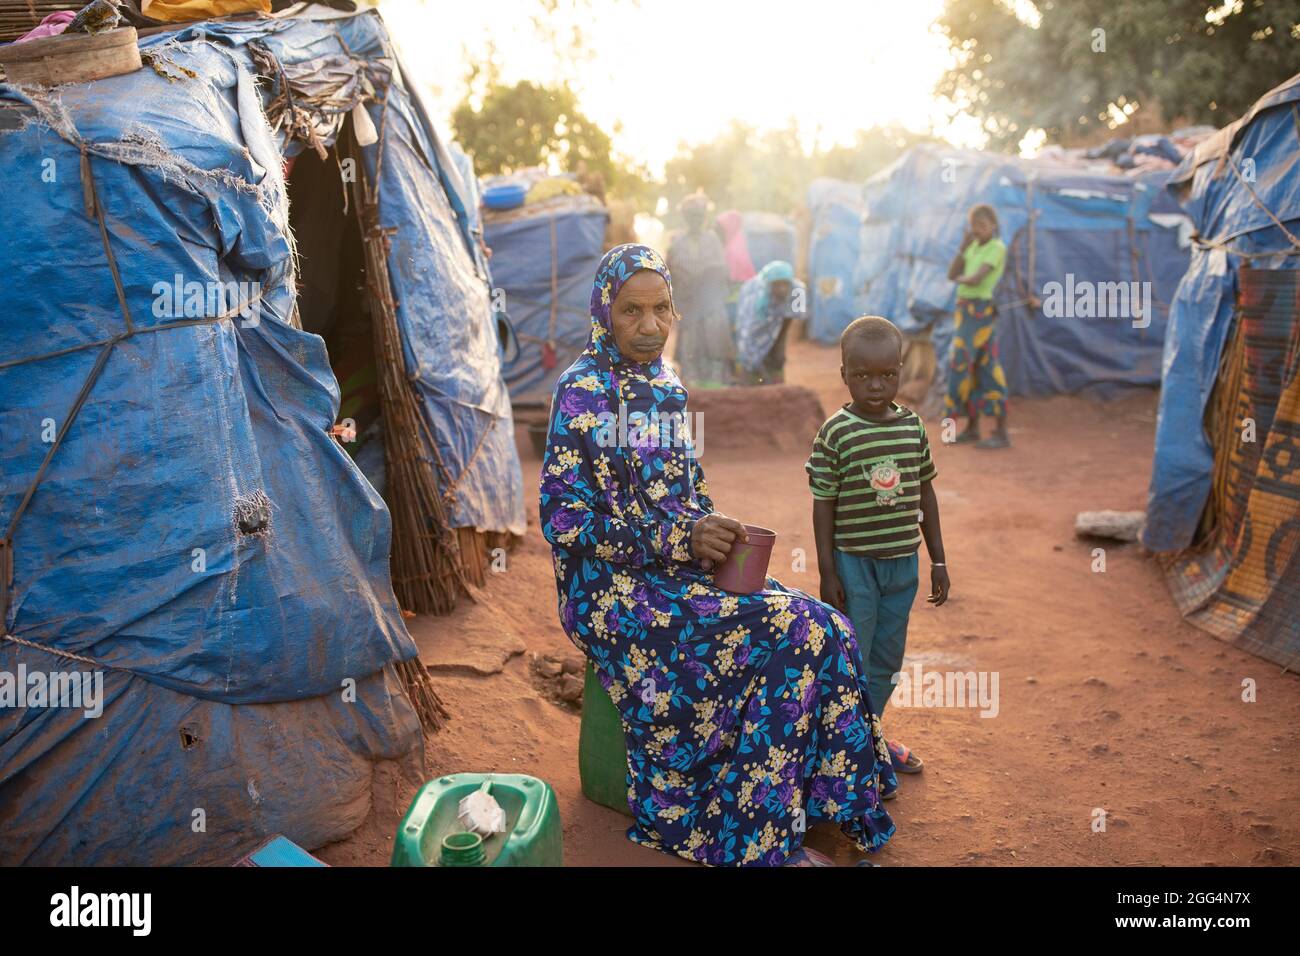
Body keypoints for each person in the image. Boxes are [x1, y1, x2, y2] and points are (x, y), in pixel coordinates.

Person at [540, 244, 897, 866]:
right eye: (632, 312)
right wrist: (673, 539)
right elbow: (562, 518)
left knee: (825, 624)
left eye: (661, 309)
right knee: (785, 633)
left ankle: (831, 794)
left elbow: (687, 488)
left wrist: (713, 526)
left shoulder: (667, 386)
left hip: (678, 569)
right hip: (609, 589)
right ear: (604, 313)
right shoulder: (583, 392)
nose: (650, 327)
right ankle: (757, 836)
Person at [806, 315, 950, 796]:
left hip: (901, 565)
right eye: (863, 375)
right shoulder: (836, 433)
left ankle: (869, 739)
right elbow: (823, 503)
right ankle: (843, 757)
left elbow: (925, 496)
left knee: (887, 658)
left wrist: (939, 560)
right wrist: (828, 572)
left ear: (900, 371)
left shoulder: (912, 428)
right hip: (853, 565)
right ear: (843, 373)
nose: (875, 385)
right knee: (853, 660)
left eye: (887, 375)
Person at [945, 204, 1010, 448]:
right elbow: (951, 274)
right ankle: (972, 429)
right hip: (966, 312)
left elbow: (975, 279)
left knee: (965, 366)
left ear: (993, 225)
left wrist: (962, 279)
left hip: (979, 312)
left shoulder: (997, 248)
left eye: (982, 226)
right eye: (974, 227)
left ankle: (1000, 432)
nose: (978, 231)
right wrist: (962, 248)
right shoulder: (972, 246)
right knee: (974, 369)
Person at [666, 193, 734, 387]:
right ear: (684, 217)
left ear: (703, 217)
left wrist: (707, 272)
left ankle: (715, 379)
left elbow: (722, 267)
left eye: (698, 216)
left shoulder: (712, 238)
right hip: (687, 299)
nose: (695, 220)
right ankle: (692, 380)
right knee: (691, 341)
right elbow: (669, 269)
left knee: (714, 338)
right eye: (691, 216)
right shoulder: (677, 241)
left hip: (710, 297)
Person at [734, 260, 806, 385]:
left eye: (785, 284)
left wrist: (778, 343)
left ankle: (775, 380)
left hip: (779, 317)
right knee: (753, 355)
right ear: (768, 285)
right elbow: (748, 334)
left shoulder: (798, 291)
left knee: (778, 357)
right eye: (776, 285)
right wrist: (756, 358)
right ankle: (749, 379)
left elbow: (789, 319)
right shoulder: (755, 298)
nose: (782, 289)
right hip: (758, 320)